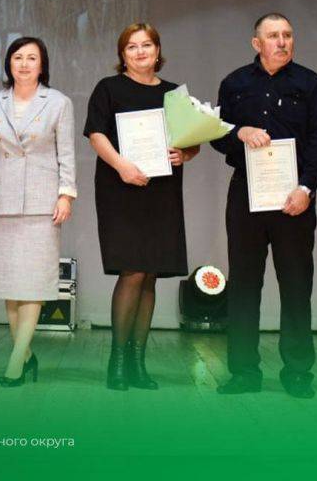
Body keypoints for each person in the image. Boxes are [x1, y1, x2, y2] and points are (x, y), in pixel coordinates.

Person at [211, 13, 317, 399]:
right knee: (244, 286)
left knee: (297, 286)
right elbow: (215, 135)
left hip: (294, 198)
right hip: (247, 195)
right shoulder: (234, 83)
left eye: (287, 35)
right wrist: (237, 131)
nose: (282, 42)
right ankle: (244, 372)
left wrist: (307, 187)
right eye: (273, 36)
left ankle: (298, 372)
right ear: (256, 43)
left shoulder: (310, 83)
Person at [85, 23, 198, 391]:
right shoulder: (108, 88)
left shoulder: (174, 94)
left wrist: (185, 153)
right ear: (122, 54)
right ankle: (117, 361)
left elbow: (192, 142)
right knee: (132, 269)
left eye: (145, 45)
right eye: (131, 47)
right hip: (121, 188)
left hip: (161, 191)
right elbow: (96, 134)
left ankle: (137, 362)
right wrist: (123, 166)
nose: (139, 52)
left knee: (151, 274)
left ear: (157, 49)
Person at [0, 37, 76, 386]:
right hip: (1, 201)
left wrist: (66, 195)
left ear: (42, 65)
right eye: (18, 57)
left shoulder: (58, 103)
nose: (25, 64)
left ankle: (15, 362)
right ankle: (28, 356)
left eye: (32, 58)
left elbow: (67, 155)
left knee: (32, 285)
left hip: (41, 203)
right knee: (10, 285)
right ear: (9, 63)